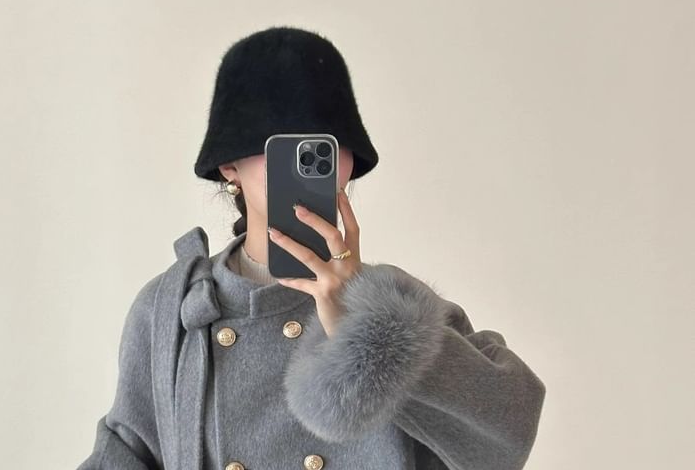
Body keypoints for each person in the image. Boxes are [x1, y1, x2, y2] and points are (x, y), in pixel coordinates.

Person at [76, 26, 546, 470]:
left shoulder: (396, 305)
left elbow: (507, 437)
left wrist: (373, 332)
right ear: (228, 166)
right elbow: (125, 454)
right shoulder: (173, 309)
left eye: (324, 147)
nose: (308, 164)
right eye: (282, 148)